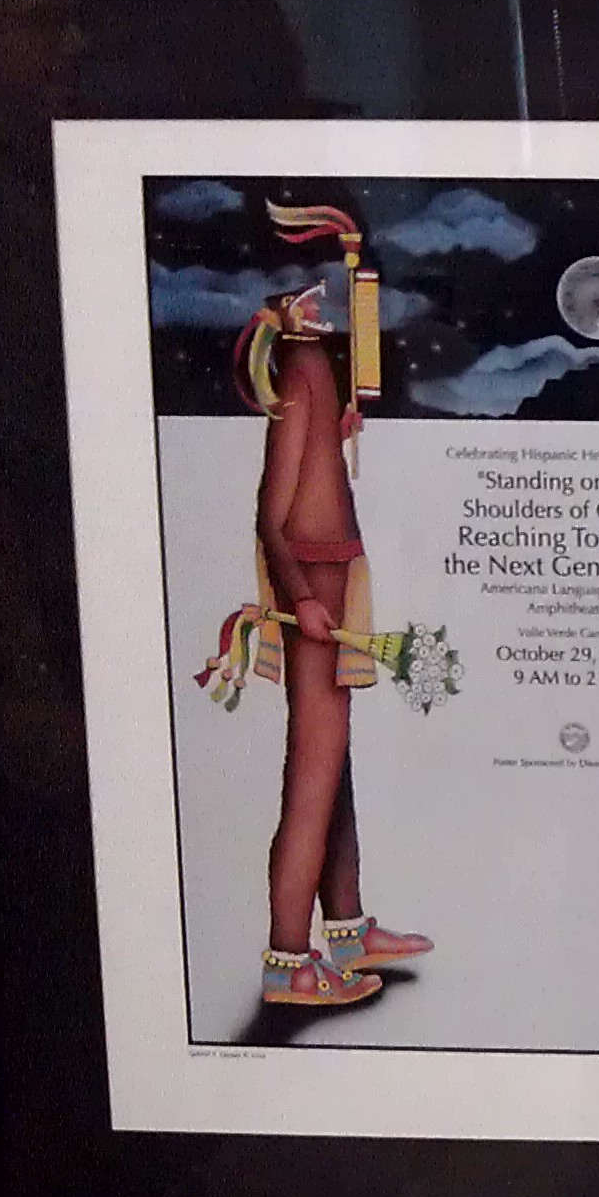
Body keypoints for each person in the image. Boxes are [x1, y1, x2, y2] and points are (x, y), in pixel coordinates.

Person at [198, 265, 432, 1007]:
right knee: (312, 780)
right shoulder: (298, 372)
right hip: (317, 590)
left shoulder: (311, 374)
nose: (321, 305)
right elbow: (273, 515)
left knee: (336, 775)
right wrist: (302, 594)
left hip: (336, 580)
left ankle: (348, 929)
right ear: (279, 311)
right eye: (307, 296)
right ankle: (288, 962)